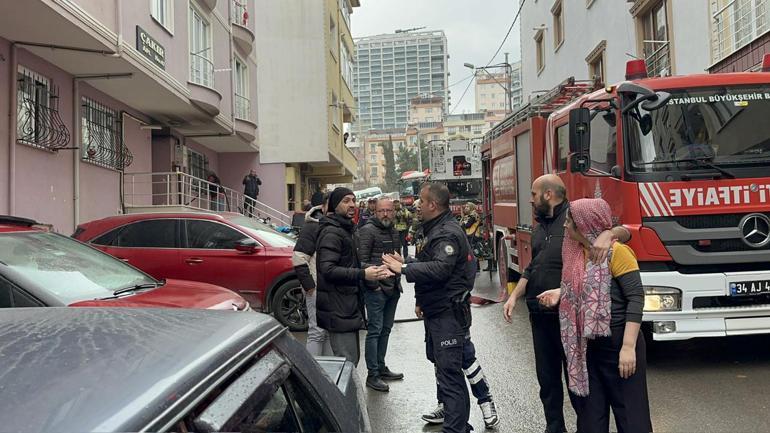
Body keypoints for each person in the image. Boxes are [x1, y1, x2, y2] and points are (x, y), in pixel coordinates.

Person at [502, 174, 630, 433]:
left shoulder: (574, 221)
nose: (530, 199)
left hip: (568, 316)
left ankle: (586, 427)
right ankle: (555, 428)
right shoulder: (539, 228)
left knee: (577, 376)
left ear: (549, 194)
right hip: (539, 317)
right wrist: (514, 296)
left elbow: (622, 231)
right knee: (547, 381)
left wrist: (610, 234)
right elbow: (532, 268)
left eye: (534, 194)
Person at [537, 198, 651, 433]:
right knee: (590, 421)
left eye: (570, 221)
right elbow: (582, 287)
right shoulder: (576, 254)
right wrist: (562, 293)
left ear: (585, 224)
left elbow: (636, 298)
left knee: (631, 419)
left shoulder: (618, 253)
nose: (566, 226)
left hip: (620, 344)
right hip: (587, 348)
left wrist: (628, 347)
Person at [383, 183, 477, 433]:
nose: (417, 205)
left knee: (450, 375)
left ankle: (455, 429)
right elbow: (430, 264)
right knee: (446, 372)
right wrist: (411, 270)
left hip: (448, 314)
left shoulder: (446, 233)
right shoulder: (435, 229)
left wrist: (403, 269)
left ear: (433, 205)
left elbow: (440, 268)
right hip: (437, 311)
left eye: (421, 202)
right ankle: (460, 427)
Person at [316, 187, 391, 365]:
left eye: (353, 200)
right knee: (346, 364)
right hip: (338, 307)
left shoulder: (346, 229)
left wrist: (374, 270)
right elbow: (328, 270)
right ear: (335, 205)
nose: (352, 205)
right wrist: (363, 273)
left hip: (348, 306)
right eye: (346, 201)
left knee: (349, 362)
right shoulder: (332, 232)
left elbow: (350, 264)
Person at [357, 197, 404, 392]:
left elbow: (397, 258)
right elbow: (360, 262)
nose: (385, 214)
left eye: (389, 211)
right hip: (375, 290)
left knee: (385, 329)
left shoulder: (393, 230)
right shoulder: (367, 231)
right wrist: (375, 283)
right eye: (381, 211)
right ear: (375, 212)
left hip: (393, 288)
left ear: (394, 212)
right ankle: (372, 375)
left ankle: (381, 367)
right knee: (375, 331)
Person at [292, 193, 332, 357]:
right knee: (317, 332)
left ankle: (330, 374)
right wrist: (309, 286)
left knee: (329, 332)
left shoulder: (333, 225)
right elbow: (298, 257)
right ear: (323, 206)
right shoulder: (312, 226)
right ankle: (313, 375)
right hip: (316, 289)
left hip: (332, 289)